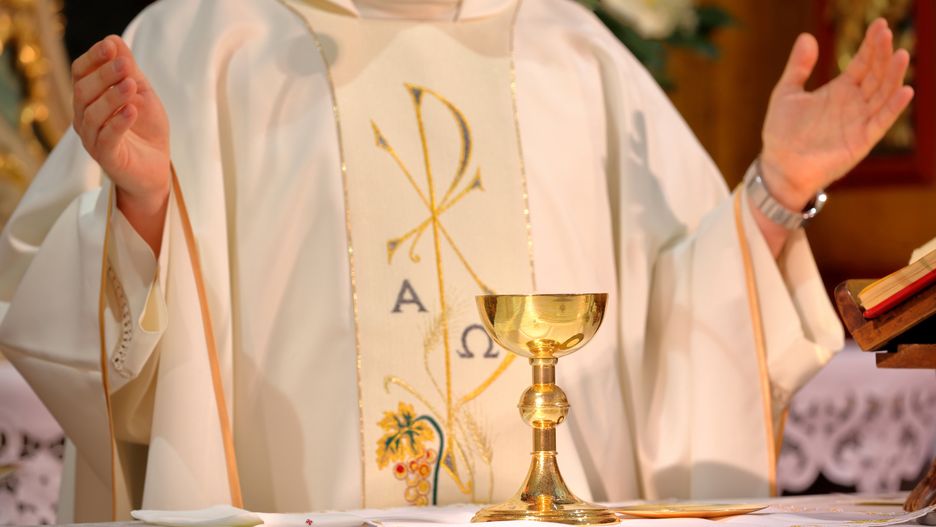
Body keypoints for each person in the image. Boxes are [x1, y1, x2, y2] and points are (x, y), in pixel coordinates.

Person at [0, 0, 911, 521]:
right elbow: (99, 351)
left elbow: (680, 314)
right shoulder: (206, 39)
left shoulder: (572, 52)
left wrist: (776, 190)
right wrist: (145, 203)